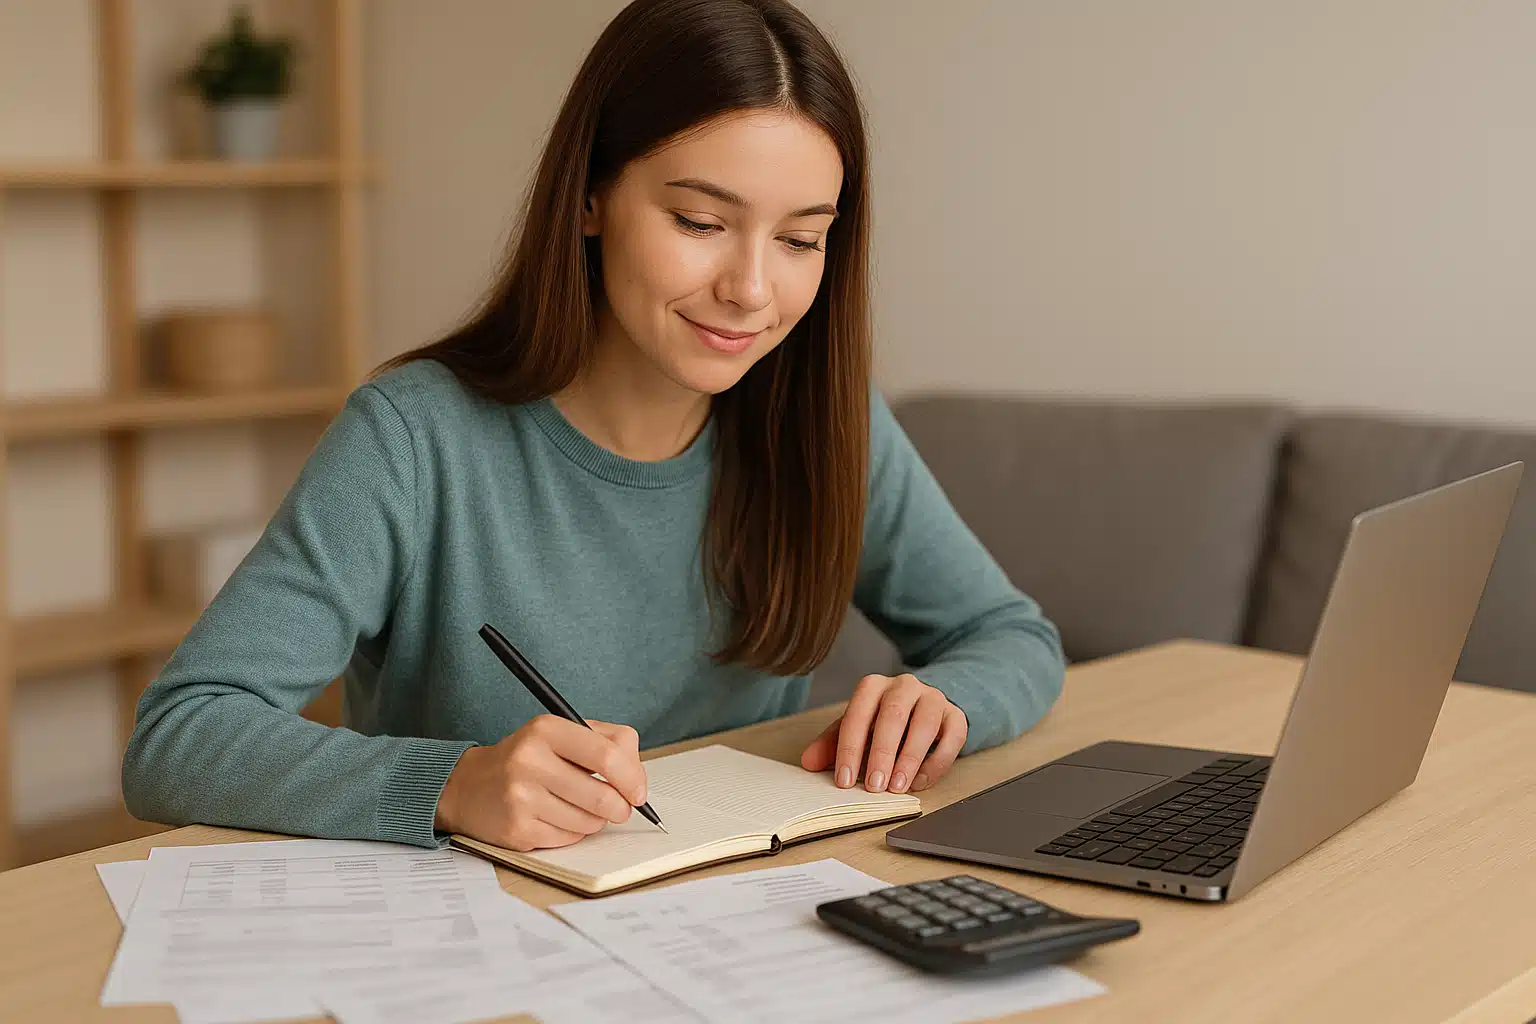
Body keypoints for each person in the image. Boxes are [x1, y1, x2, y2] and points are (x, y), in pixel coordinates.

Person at [122, 0, 1065, 854]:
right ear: (588, 199)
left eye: (800, 239)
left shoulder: (821, 420)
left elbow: (1011, 637)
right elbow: (181, 734)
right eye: (700, 220)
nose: (750, 289)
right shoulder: (414, 436)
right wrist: (450, 783)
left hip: (740, 920)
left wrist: (947, 705)